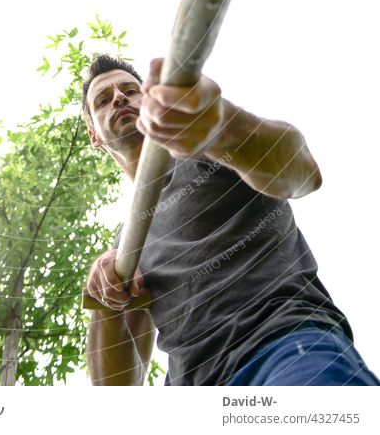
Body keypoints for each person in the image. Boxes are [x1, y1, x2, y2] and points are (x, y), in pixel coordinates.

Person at [83, 55, 379, 387]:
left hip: (283, 349)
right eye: (103, 100)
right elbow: (116, 389)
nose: (120, 98)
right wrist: (103, 302)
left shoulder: (208, 150)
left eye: (130, 90)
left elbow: (303, 174)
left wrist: (221, 126)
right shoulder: (124, 247)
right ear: (94, 135)